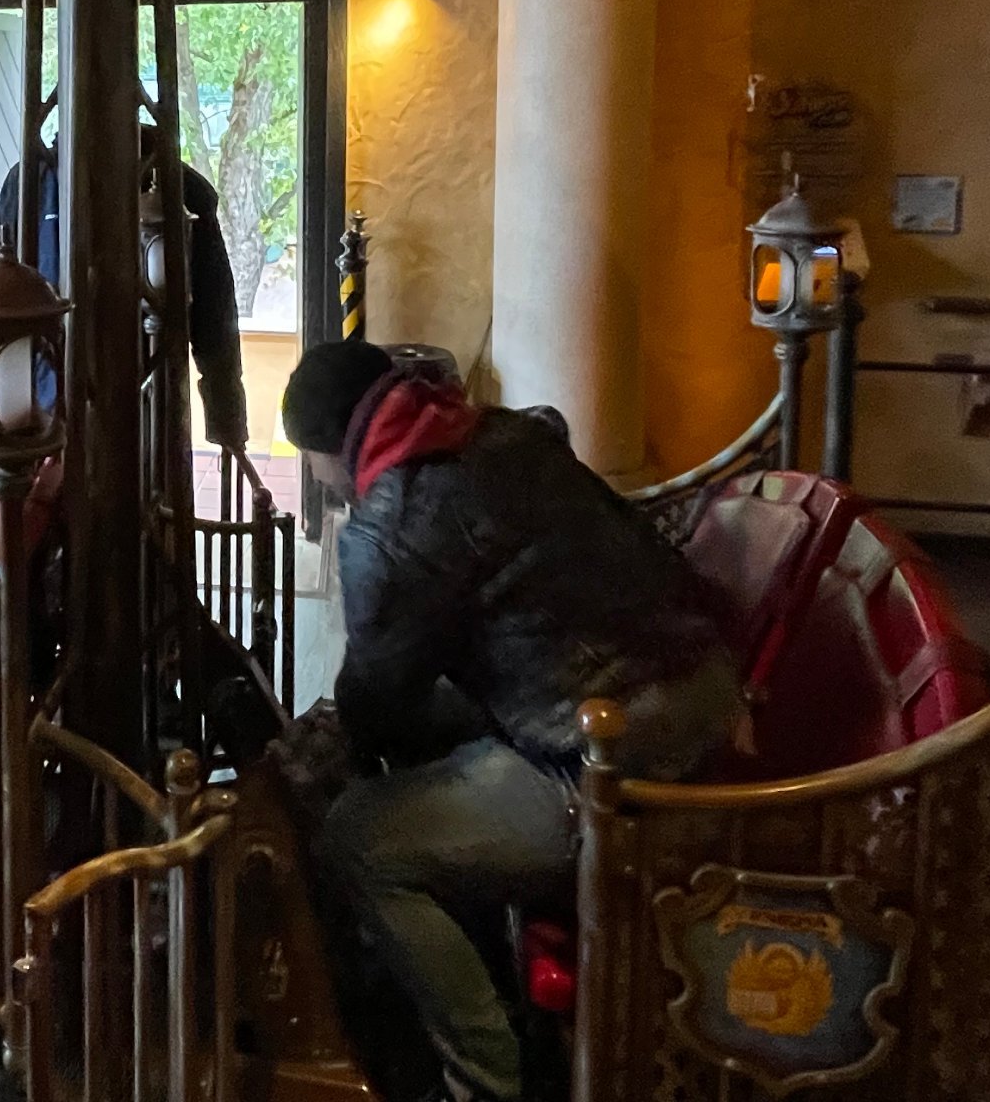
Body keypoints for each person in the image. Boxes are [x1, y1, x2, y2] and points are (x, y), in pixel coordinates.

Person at [282, 341, 739, 1102]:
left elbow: (377, 701)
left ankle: (484, 1080)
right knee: (439, 738)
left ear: (328, 451)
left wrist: (348, 752)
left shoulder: (390, 526)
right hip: (702, 683)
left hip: (611, 760)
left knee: (359, 841)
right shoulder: (502, 431)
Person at [0, 123, 249, 451]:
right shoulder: (29, 184)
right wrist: (10, 417)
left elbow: (214, 314)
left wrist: (227, 420)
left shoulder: (179, 187)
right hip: (51, 409)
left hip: (151, 405)